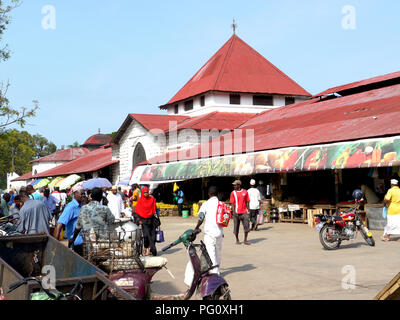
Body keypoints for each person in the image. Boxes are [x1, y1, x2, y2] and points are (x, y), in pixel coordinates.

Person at [194, 186, 224, 275]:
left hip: (209, 233)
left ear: (209, 194)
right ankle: (217, 269)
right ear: (217, 194)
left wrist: (197, 227)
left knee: (211, 253)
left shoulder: (206, 204)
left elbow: (201, 217)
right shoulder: (221, 204)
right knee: (218, 252)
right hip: (219, 232)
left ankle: (215, 273)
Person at [56, 190, 84, 255]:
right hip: (76, 241)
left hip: (83, 240)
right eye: (81, 194)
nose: (83, 196)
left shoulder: (81, 206)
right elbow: (60, 223)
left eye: (84, 194)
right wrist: (56, 240)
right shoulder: (71, 207)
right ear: (75, 195)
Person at [135, 186, 157, 256]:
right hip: (144, 221)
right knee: (146, 236)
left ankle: (150, 250)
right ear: (142, 193)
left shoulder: (152, 199)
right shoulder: (140, 201)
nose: (146, 194)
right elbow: (137, 212)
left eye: (147, 192)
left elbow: (155, 209)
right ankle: (145, 248)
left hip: (152, 220)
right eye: (144, 192)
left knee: (153, 236)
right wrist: (139, 220)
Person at [230, 180, 251, 245]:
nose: (234, 186)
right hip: (236, 213)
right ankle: (237, 239)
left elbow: (247, 201)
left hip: (244, 212)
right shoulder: (233, 193)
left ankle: (245, 240)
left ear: (239, 185)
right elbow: (232, 203)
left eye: (235, 185)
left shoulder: (245, 192)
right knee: (236, 227)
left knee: (246, 226)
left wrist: (248, 211)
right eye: (233, 185)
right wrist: (234, 212)